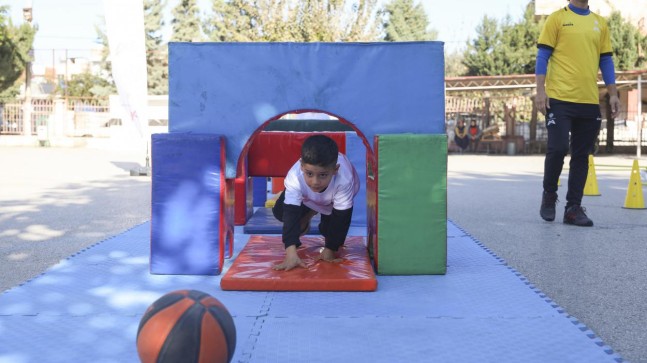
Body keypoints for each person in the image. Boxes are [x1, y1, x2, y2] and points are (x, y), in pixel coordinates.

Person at [536, 0, 620, 227]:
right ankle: (549, 194)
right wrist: (540, 92)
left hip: (588, 100)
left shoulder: (599, 23)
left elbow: (606, 60)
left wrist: (613, 94)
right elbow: (543, 56)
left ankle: (573, 208)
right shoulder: (557, 19)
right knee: (558, 148)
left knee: (582, 155)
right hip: (559, 99)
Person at [272, 134, 360, 271]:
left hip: (332, 202)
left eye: (323, 175)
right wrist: (290, 252)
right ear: (301, 166)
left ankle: (318, 209)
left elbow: (342, 218)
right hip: (309, 199)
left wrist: (330, 249)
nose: (315, 182)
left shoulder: (344, 180)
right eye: (309, 174)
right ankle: (312, 210)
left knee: (329, 232)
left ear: (335, 170)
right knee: (280, 212)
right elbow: (290, 213)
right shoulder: (295, 176)